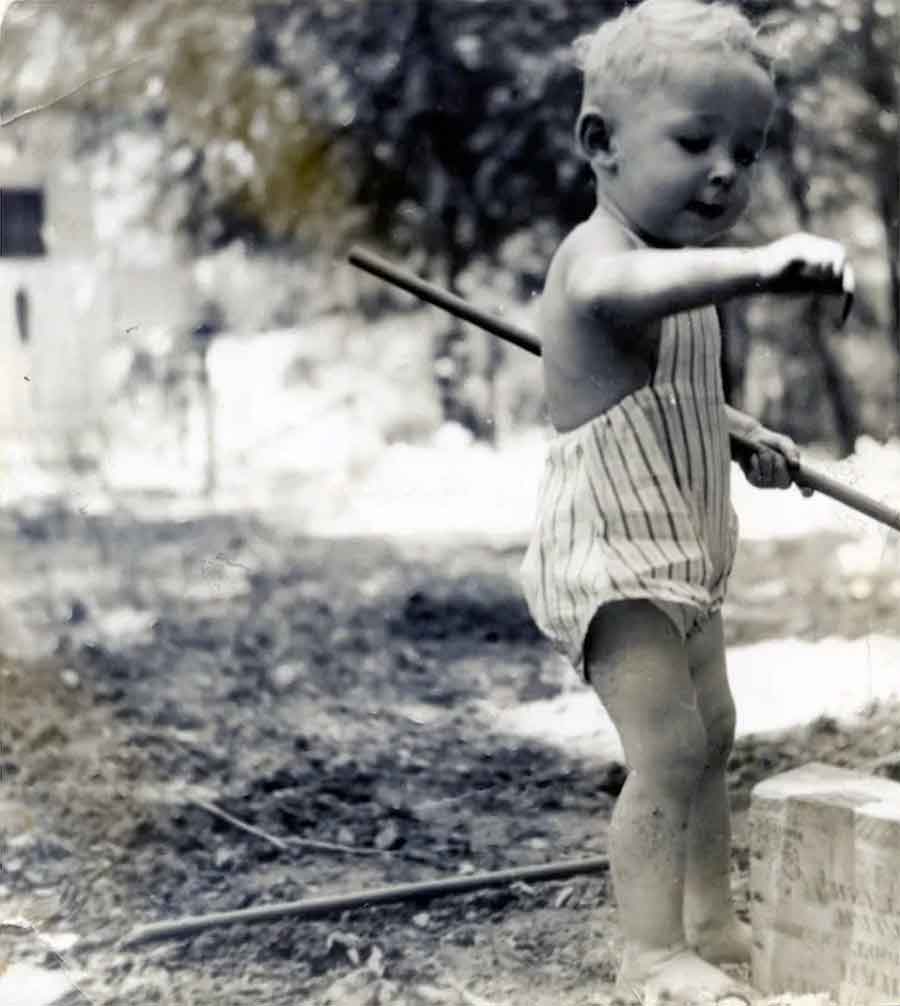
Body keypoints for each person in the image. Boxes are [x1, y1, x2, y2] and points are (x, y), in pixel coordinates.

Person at [520, 2, 852, 1003]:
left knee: (715, 728)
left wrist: (736, 428)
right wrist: (761, 264)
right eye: (695, 140)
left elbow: (672, 387)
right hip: (616, 556)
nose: (726, 171)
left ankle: (710, 919)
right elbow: (615, 301)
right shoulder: (600, 259)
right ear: (601, 144)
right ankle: (651, 952)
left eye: (745, 150)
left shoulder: (673, 273)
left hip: (683, 547)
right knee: (665, 748)